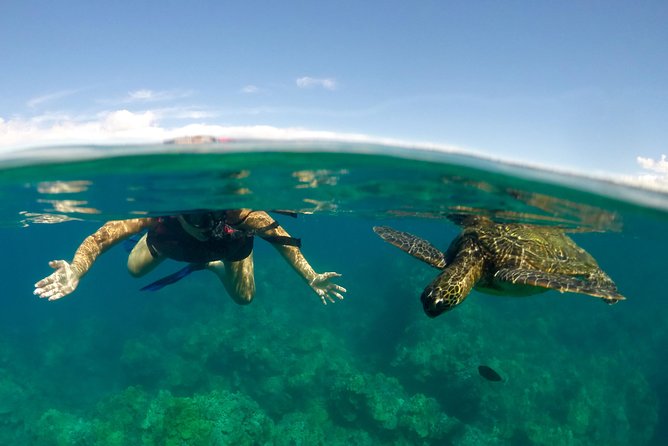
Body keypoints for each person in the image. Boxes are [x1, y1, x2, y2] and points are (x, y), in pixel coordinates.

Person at [34, 209, 346, 305]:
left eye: (211, 220)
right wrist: (76, 270)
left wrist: (311, 276)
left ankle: (214, 266)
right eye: (197, 221)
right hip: (171, 241)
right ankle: (152, 240)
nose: (204, 228)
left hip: (228, 248)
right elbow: (101, 237)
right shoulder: (163, 212)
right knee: (133, 269)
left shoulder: (240, 214)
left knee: (245, 298)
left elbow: (282, 241)